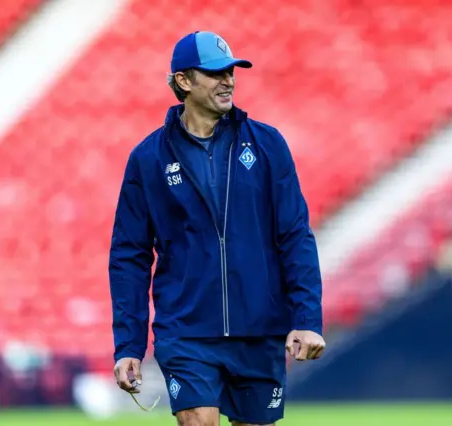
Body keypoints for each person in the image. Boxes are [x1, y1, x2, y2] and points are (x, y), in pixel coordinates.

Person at [109, 30, 325, 426]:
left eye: (231, 71)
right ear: (184, 81)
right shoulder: (147, 159)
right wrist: (128, 346)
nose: (228, 80)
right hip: (186, 331)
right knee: (198, 419)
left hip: (259, 329)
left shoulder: (268, 145)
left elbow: (295, 235)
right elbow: (129, 257)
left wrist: (307, 319)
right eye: (215, 72)